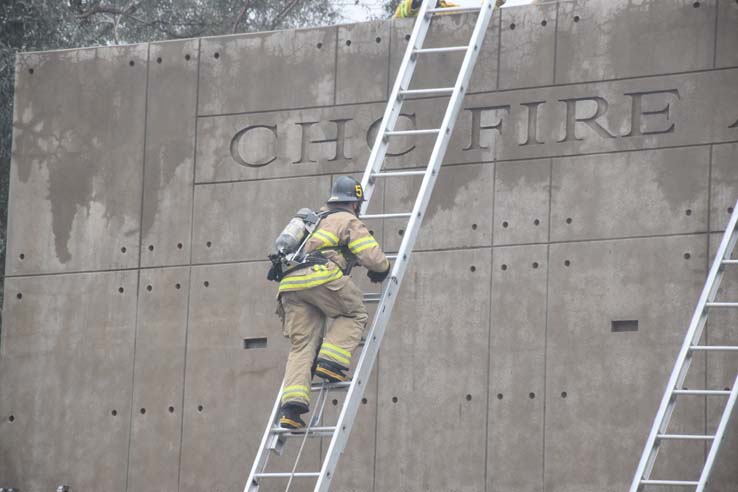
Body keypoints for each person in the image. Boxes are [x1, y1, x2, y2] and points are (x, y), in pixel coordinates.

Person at [275, 176, 391, 430]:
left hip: (289, 284)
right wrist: (382, 269)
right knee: (354, 313)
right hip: (319, 277)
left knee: (302, 346)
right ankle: (332, 363)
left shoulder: (312, 221)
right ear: (354, 203)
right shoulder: (347, 219)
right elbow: (372, 255)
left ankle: (291, 409)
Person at [393, 0, 506, 18]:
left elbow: (477, 17)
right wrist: (415, 4)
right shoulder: (409, 6)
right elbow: (394, 25)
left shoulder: (448, 8)